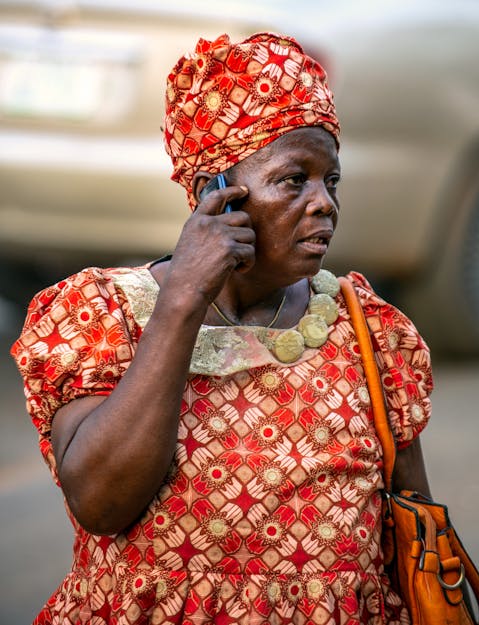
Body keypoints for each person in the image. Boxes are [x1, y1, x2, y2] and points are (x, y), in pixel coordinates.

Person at [11, 32, 433, 624]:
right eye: (294, 179)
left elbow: (418, 528)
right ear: (217, 193)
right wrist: (183, 298)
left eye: (330, 180)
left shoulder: (368, 331)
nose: (324, 204)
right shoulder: (102, 315)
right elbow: (101, 503)